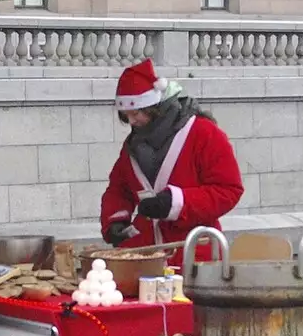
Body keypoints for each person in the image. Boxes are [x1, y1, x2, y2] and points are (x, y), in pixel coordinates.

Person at [100, 59, 243, 265]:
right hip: (145, 256)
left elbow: (229, 190)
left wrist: (176, 202)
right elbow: (118, 189)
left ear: (154, 108)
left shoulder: (204, 133)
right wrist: (116, 219)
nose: (131, 122)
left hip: (193, 255)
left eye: (135, 113)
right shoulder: (133, 145)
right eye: (126, 116)